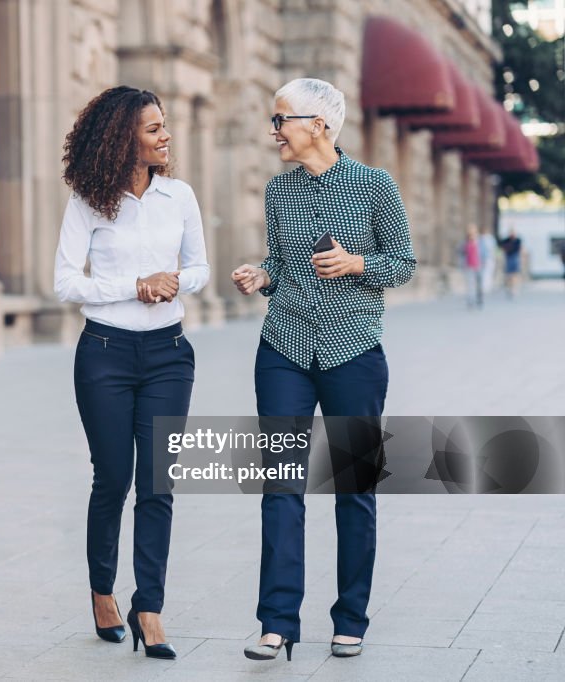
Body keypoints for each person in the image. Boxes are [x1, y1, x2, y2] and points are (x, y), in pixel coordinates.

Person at [231, 78, 415, 661]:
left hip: (353, 353)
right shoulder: (278, 193)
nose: (273, 130)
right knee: (281, 486)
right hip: (283, 350)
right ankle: (277, 621)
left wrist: (357, 262)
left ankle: (350, 617)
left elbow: (403, 262)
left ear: (318, 125)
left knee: (353, 489)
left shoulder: (374, 185)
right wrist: (262, 275)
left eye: (280, 119)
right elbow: (282, 264)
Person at [54, 85, 210, 660]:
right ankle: (102, 592)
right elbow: (66, 282)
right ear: (124, 139)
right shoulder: (88, 202)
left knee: (159, 484)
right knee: (113, 478)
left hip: (169, 354)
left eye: (164, 125)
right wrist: (133, 285)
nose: (165, 135)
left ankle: (151, 608)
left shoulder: (180, 197)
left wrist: (173, 280)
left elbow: (199, 267)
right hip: (105, 355)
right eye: (153, 128)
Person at [460, 226, 485, 309]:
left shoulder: (480, 242)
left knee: (478, 284)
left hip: (478, 265)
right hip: (469, 266)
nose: (472, 235)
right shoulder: (465, 243)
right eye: (470, 233)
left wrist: (484, 262)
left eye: (473, 233)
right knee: (470, 284)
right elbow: (461, 253)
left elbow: (484, 253)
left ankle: (479, 299)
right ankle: (470, 300)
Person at [499, 228, 523, 298]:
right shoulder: (506, 240)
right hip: (508, 258)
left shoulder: (517, 240)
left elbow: (519, 249)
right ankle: (509, 288)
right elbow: (502, 246)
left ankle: (514, 288)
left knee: (515, 275)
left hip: (515, 258)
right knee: (509, 275)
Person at [479, 227, 498, 294]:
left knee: (486, 272)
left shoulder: (488, 239)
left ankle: (486, 286)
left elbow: (493, 249)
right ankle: (485, 286)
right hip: (485, 258)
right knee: (486, 273)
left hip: (487, 258)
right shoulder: (484, 239)